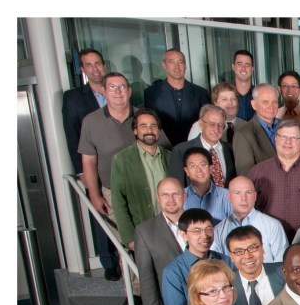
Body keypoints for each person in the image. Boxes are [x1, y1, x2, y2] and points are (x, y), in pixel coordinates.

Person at [78, 71, 137, 280]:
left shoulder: (143, 117)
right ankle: (135, 290)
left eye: (122, 86)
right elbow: (89, 161)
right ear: (104, 91)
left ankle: (148, 288)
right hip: (112, 192)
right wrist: (95, 195)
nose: (118, 91)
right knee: (126, 241)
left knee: (145, 240)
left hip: (144, 190)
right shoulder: (91, 122)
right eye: (112, 87)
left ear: (129, 91)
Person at [248, 119, 300, 240]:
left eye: (294, 138)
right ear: (276, 139)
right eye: (283, 137)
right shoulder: (257, 172)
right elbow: (248, 209)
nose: (288, 142)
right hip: (267, 241)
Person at [111, 108, 170, 252]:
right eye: (143, 126)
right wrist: (130, 238)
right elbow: (118, 201)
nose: (149, 130)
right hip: (142, 231)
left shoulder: (170, 157)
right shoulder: (122, 160)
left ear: (159, 131)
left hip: (169, 230)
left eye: (153, 126)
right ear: (135, 131)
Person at [134, 178, 185, 305]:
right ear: (158, 197)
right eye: (165, 195)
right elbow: (146, 275)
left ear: (184, 196)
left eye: (175, 194)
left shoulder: (201, 222)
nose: (170, 199)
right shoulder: (145, 231)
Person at [161, 209, 225, 305]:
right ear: (184, 235)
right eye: (197, 231)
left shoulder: (225, 260)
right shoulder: (173, 272)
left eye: (209, 229)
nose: (205, 235)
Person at [212, 176, 288, 263]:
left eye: (248, 192)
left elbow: (281, 263)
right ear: (229, 197)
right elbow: (216, 265)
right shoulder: (218, 230)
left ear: (255, 196)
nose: (244, 198)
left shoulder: (273, 225)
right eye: (237, 193)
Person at [142, 48, 210, 145]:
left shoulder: (201, 93)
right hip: (165, 148)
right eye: (171, 62)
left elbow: (206, 124)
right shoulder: (152, 93)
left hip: (195, 147)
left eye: (180, 62)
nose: (177, 66)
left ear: (185, 65)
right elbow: (151, 124)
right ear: (164, 65)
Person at [62, 48, 107, 176]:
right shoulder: (73, 98)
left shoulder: (118, 92)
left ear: (104, 65)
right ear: (82, 69)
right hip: (94, 166)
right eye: (89, 65)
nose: (95, 69)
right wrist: (81, 172)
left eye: (97, 63)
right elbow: (72, 135)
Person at [169, 104, 236, 188]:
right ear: (201, 124)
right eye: (212, 124)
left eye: (220, 125)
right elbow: (177, 187)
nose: (216, 129)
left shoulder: (231, 149)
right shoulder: (180, 151)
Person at [225, 226, 283, 305]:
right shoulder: (225, 286)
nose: (247, 256)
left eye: (252, 248)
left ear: (262, 248)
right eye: (239, 251)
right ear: (231, 256)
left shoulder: (285, 273)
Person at [233, 83, 280, 176]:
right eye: (265, 102)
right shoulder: (243, 134)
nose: (271, 106)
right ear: (254, 104)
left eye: (274, 102)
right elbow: (246, 175)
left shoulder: (286, 127)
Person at [181, 147, 232, 223]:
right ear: (186, 171)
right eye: (193, 166)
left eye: (202, 165)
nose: (198, 170)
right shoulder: (180, 196)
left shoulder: (226, 196)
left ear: (211, 169)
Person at [230, 50, 255, 120]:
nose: (243, 68)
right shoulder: (224, 95)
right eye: (239, 64)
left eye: (247, 65)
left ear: (252, 69)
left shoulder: (260, 95)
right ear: (233, 67)